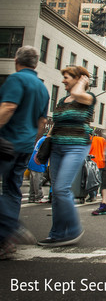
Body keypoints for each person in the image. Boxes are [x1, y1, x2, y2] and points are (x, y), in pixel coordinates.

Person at [0, 46, 49, 258]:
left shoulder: (16, 80)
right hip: (25, 147)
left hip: (6, 143)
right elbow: (42, 121)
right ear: (36, 64)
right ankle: (6, 241)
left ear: (16, 60)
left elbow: (8, 108)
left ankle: (10, 225)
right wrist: (33, 142)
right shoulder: (42, 88)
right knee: (12, 189)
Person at [38, 66, 95, 247]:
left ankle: (73, 230)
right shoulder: (63, 100)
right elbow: (56, 123)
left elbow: (79, 94)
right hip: (56, 147)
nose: (63, 80)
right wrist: (43, 148)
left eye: (67, 77)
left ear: (79, 79)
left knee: (62, 188)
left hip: (76, 147)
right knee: (56, 192)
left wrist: (82, 83)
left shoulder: (87, 98)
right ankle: (56, 233)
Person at [87, 129, 106, 202]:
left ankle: (93, 195)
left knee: (93, 181)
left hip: (93, 163)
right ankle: (103, 195)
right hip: (102, 162)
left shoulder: (90, 140)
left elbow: (87, 152)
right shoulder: (102, 139)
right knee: (100, 180)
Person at [28, 134, 48, 203]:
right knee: (37, 181)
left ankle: (32, 197)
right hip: (38, 162)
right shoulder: (46, 140)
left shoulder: (42, 138)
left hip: (33, 161)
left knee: (33, 182)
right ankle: (39, 197)